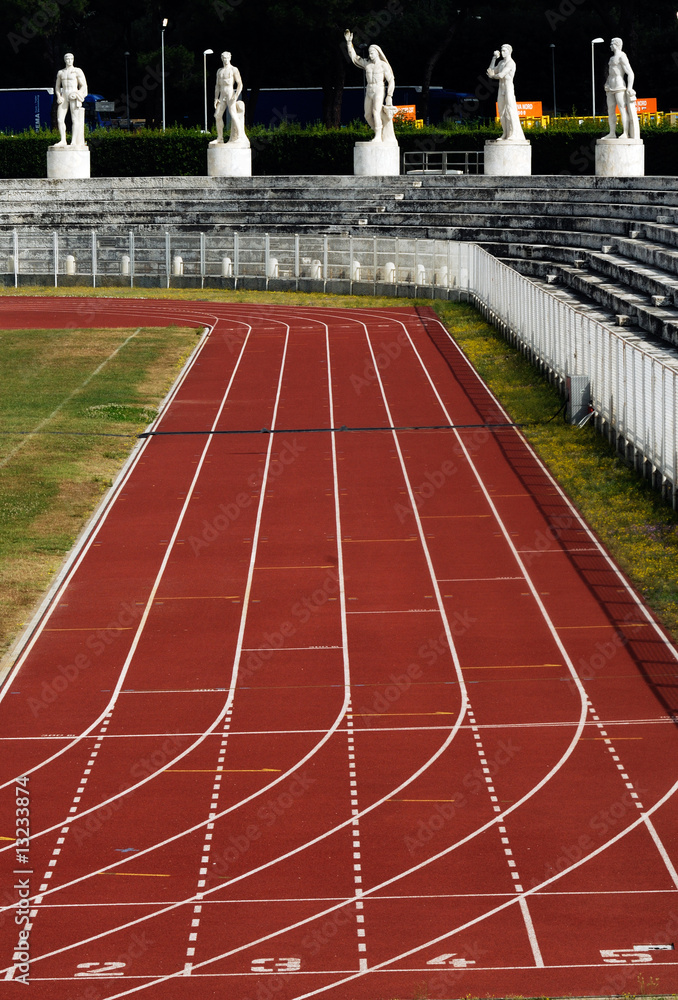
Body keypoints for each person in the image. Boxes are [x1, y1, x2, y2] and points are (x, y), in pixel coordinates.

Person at [344, 29, 395, 143]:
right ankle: (379, 132)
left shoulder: (383, 65)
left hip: (379, 89)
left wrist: (389, 95)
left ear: (377, 53)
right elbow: (355, 58)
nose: (370, 55)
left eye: (372, 53)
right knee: (367, 115)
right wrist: (349, 43)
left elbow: (391, 80)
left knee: (376, 111)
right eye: (369, 53)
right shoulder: (367, 64)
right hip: (369, 90)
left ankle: (377, 136)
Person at [601, 37, 639, 141]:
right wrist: (607, 83)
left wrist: (630, 87)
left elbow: (630, 73)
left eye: (611, 44)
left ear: (616, 45)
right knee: (610, 111)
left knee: (622, 109)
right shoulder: (611, 58)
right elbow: (610, 73)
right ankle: (612, 133)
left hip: (619, 85)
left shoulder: (622, 56)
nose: (610, 46)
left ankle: (625, 133)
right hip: (610, 86)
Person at [486, 44, 524, 142]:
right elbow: (491, 70)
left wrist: (492, 76)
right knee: (501, 111)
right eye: (501, 51)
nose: (502, 52)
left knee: (511, 110)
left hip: (508, 88)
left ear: (509, 51)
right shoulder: (501, 63)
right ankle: (505, 133)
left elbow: (501, 75)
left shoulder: (511, 63)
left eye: (504, 51)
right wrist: (494, 58)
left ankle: (514, 133)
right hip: (501, 89)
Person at [53, 53, 88, 148]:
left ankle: (73, 141)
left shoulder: (77, 71)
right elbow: (57, 87)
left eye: (71, 59)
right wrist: (58, 96)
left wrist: (78, 94)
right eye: (67, 59)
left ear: (73, 60)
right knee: (60, 119)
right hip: (64, 96)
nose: (69, 61)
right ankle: (63, 140)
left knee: (74, 119)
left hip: (73, 95)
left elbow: (84, 85)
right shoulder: (61, 72)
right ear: (64, 60)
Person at [213, 51, 246, 145]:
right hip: (222, 95)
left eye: (227, 58)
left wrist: (236, 95)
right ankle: (220, 138)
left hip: (230, 93)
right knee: (217, 115)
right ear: (222, 59)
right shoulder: (219, 71)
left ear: (230, 58)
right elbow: (217, 86)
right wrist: (216, 98)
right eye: (224, 58)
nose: (226, 59)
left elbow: (240, 83)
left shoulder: (233, 69)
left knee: (233, 114)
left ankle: (240, 136)